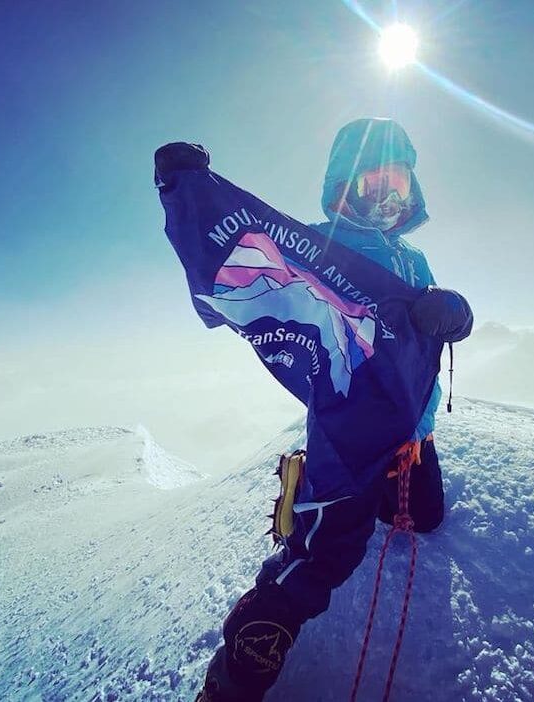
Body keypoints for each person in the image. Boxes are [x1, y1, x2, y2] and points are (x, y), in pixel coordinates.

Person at [197, 117, 473, 701]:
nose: (384, 197)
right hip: (346, 433)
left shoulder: (412, 261)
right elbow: (259, 262)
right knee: (326, 555)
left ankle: (361, 490)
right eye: (370, 184)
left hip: (409, 429)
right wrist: (190, 191)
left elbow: (435, 326)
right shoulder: (319, 246)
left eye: (396, 184)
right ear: (342, 187)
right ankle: (236, 676)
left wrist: (453, 313)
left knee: (425, 518)